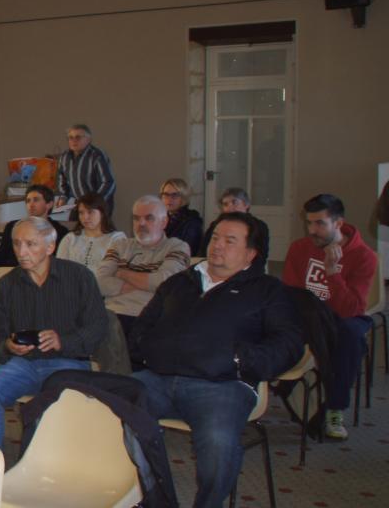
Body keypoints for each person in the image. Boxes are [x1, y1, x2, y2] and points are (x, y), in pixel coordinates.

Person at [131, 213, 302, 508]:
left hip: (222, 385)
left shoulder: (267, 291)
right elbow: (142, 330)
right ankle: (154, 499)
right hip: (158, 379)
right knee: (109, 412)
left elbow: (288, 345)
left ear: (251, 253)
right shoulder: (180, 283)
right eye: (215, 238)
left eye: (230, 241)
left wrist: (238, 359)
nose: (217, 246)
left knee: (218, 442)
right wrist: (149, 352)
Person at [0, 217, 109, 449]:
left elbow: (98, 326)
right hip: (23, 364)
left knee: (52, 403)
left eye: (31, 244)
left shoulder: (79, 277)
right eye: (17, 244)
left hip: (69, 363)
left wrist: (63, 341)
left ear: (50, 247)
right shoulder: (5, 286)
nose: (22, 251)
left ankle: (43, 462)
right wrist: (8, 347)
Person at [282, 194, 377, 439]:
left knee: (349, 335)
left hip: (344, 317)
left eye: (319, 224)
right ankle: (280, 386)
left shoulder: (364, 256)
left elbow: (351, 308)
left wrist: (333, 274)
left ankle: (335, 407)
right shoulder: (300, 248)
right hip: (309, 314)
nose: (312, 230)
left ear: (339, 224)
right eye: (309, 223)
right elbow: (292, 293)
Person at [95, 195, 191, 334]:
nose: (141, 223)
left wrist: (122, 273)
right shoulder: (120, 245)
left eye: (149, 218)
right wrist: (146, 283)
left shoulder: (177, 247)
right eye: (136, 218)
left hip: (148, 319)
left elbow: (166, 284)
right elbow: (99, 282)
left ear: (164, 222)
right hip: (110, 317)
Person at [0, 184, 69, 269]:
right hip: (13, 274)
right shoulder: (13, 226)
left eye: (36, 200)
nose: (31, 204)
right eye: (28, 201)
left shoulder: (59, 231)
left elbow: (59, 262)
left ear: (49, 204)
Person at [55, 191, 125, 276]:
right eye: (81, 212)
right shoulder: (70, 238)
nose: (85, 217)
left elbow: (117, 272)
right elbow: (59, 269)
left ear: (102, 213)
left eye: (90, 212)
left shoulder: (116, 239)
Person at [55, 123, 116, 216]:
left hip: (99, 207)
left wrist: (93, 202)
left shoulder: (97, 155)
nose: (74, 140)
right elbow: (61, 181)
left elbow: (108, 182)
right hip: (79, 206)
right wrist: (62, 197)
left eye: (78, 137)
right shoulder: (64, 157)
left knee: (100, 230)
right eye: (70, 137)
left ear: (88, 139)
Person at [200, 187, 270, 260]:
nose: (230, 208)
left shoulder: (259, 226)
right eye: (225, 204)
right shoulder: (216, 224)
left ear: (246, 205)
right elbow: (204, 250)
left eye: (234, 202)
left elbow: (261, 255)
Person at [160, 178, 203, 253]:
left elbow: (186, 249)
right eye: (166, 194)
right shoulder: (159, 217)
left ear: (183, 197)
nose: (169, 199)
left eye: (174, 195)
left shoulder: (192, 221)